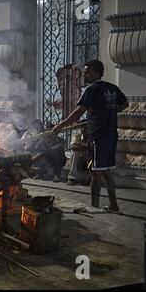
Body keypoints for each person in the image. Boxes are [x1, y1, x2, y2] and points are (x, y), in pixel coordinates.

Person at [52, 60, 129, 212]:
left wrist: (59, 126)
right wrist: (110, 113)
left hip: (98, 136)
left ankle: (94, 207)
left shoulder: (91, 90)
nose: (85, 74)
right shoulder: (112, 88)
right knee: (106, 170)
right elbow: (125, 103)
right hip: (111, 134)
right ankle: (114, 205)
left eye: (88, 71)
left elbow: (77, 113)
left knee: (96, 172)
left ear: (97, 72)